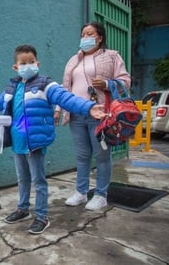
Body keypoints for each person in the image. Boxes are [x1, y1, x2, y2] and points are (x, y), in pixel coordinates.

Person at [0, 44, 106, 235]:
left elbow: (65, 98)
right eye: (23, 63)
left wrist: (88, 107)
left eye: (31, 62)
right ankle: (23, 209)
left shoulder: (45, 84)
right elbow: (0, 102)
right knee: (22, 178)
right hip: (17, 141)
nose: (28, 66)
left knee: (38, 181)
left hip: (35, 141)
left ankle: (41, 216)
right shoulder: (12, 86)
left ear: (37, 63)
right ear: (15, 67)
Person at [54, 22, 131, 211]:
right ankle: (81, 192)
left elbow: (125, 81)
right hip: (76, 114)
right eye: (83, 34)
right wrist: (58, 108)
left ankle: (101, 195)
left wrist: (107, 83)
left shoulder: (111, 56)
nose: (85, 38)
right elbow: (65, 88)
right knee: (81, 156)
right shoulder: (74, 60)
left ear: (100, 37)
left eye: (89, 34)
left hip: (100, 114)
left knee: (102, 155)